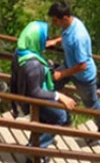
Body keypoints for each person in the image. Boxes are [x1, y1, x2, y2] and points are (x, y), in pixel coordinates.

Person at [9, 20, 76, 162]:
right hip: (33, 99)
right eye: (43, 38)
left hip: (23, 94)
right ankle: (34, 149)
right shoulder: (33, 65)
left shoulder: (20, 51)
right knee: (61, 117)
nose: (45, 40)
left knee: (45, 120)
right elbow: (35, 92)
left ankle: (35, 148)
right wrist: (59, 96)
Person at [47, 1, 100, 140]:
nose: (53, 23)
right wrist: (56, 41)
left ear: (64, 18)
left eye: (55, 20)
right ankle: (63, 118)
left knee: (91, 104)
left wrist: (62, 73)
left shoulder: (78, 37)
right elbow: (66, 37)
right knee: (50, 86)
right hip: (70, 66)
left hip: (83, 76)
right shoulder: (70, 24)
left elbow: (82, 65)